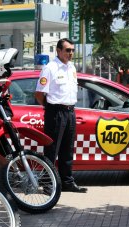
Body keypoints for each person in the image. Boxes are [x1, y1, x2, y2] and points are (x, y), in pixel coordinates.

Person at [34, 38, 87, 193]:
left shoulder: (71, 67)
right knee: (51, 150)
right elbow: (39, 93)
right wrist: (50, 107)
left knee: (67, 149)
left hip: (70, 112)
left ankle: (67, 182)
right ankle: (47, 184)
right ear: (58, 51)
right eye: (67, 50)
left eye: (72, 50)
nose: (70, 53)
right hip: (55, 112)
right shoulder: (50, 68)